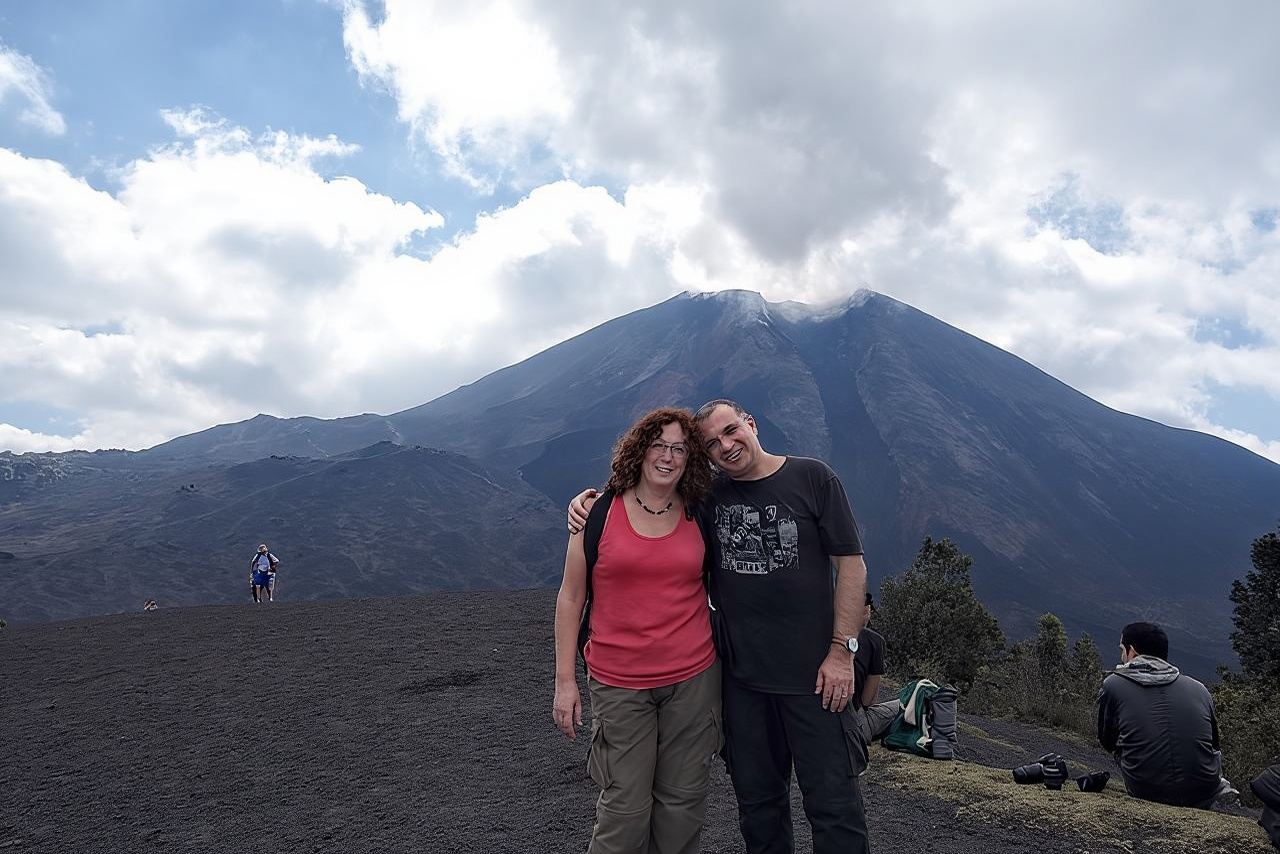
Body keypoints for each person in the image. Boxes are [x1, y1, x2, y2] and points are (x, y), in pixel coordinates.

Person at [571, 399, 870, 854]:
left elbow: (851, 566)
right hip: (741, 683)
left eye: (731, 431)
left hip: (815, 679)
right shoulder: (707, 498)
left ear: (751, 422)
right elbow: (649, 497)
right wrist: (588, 501)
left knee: (834, 808)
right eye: (711, 443)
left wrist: (842, 652)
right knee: (759, 808)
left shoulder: (813, 478)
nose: (726, 446)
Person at [552, 407, 721, 854]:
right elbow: (571, 598)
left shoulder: (700, 509)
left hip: (693, 679)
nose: (667, 457)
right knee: (624, 811)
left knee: (682, 805)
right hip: (619, 683)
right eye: (658, 445)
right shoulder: (597, 513)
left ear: (691, 458)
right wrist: (565, 682)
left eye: (680, 449)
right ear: (640, 449)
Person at [1096, 621, 1229, 808]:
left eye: (1122, 649)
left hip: (1147, 791)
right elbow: (1214, 744)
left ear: (1131, 651)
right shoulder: (1199, 689)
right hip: (1205, 792)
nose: (1121, 655)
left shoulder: (1113, 684)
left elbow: (1107, 740)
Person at [851, 592, 901, 748]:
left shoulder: (822, 633)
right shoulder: (875, 641)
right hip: (854, 727)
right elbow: (868, 701)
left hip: (816, 723)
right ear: (866, 611)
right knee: (906, 705)